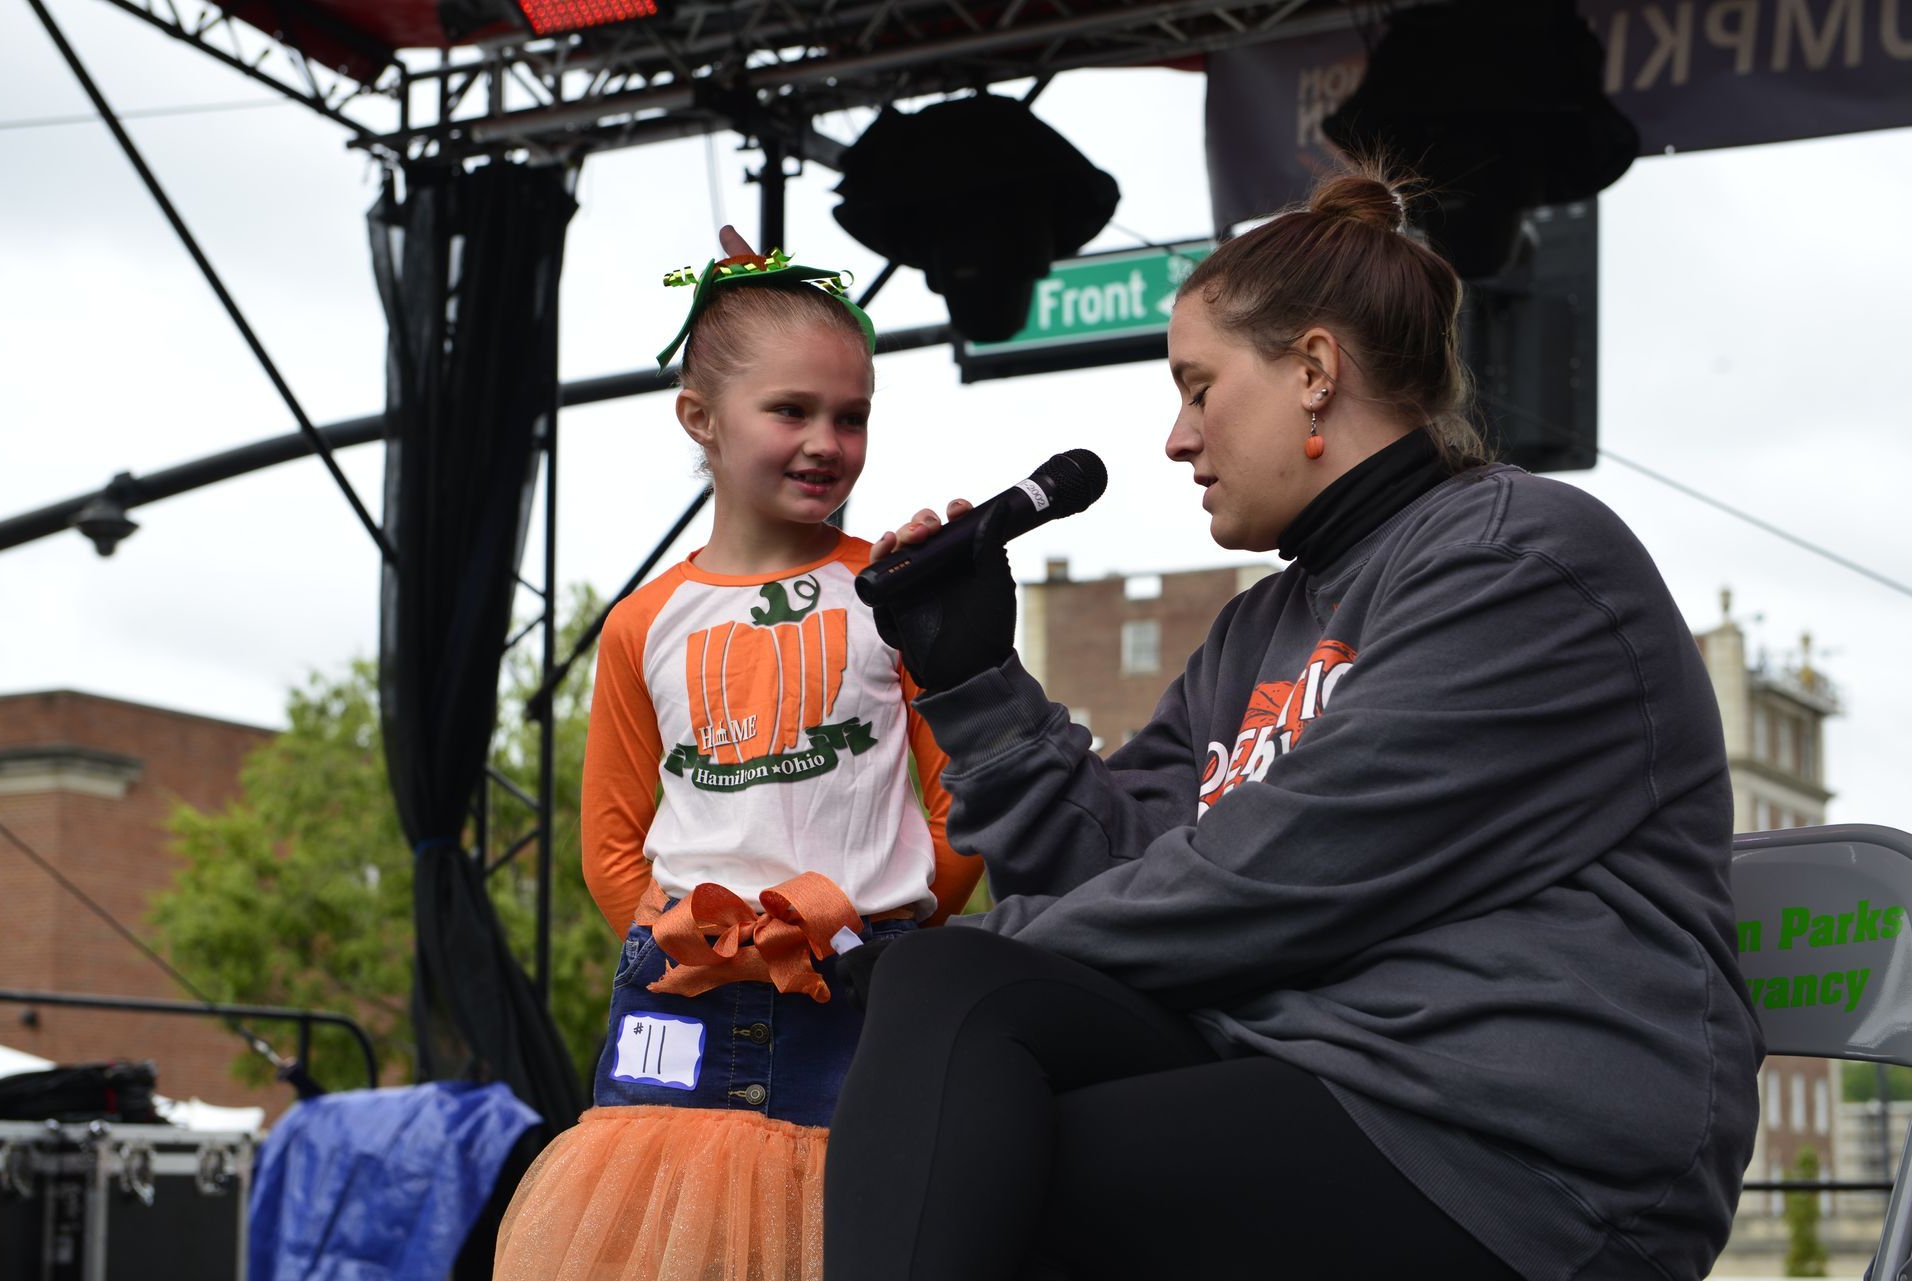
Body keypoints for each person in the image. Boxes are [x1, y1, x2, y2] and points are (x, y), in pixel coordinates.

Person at [823, 165, 1762, 1281]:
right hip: (1308, 1077)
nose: (1176, 439)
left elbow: (1281, 875)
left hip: (1520, 1158)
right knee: (953, 1019)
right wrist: (974, 680)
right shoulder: (1260, 624)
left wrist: (972, 940)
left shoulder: (1523, 561)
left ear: (1314, 371)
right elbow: (1107, 886)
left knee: (974, 1153)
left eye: (1197, 388)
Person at [493, 230, 982, 1281]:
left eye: (850, 416)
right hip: (688, 989)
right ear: (701, 419)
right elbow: (614, 838)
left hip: (859, 987)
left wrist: (886, 922)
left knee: (851, 1233)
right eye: (792, 410)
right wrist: (685, 936)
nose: (827, 441)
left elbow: (963, 800)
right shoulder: (642, 622)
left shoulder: (894, 589)